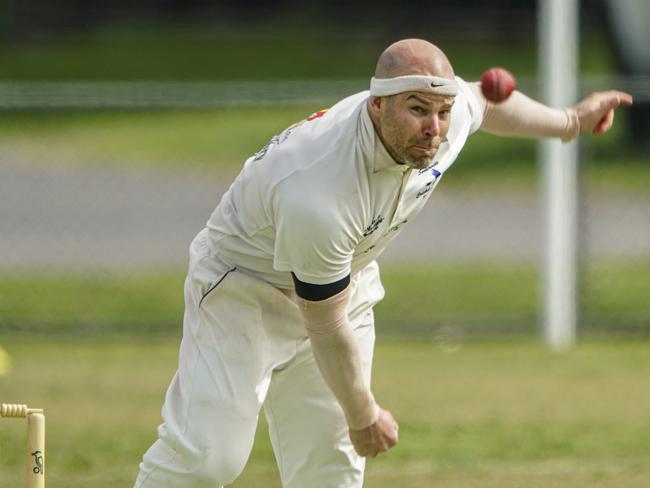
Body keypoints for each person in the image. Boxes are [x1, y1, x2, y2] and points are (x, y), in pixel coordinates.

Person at [134, 39, 632, 487]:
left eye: (441, 111)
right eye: (418, 110)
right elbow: (324, 326)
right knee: (207, 460)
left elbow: (485, 99)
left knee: (331, 474)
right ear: (377, 104)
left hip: (339, 284)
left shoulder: (442, 118)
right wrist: (363, 412)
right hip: (245, 291)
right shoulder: (319, 188)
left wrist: (570, 122)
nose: (433, 128)